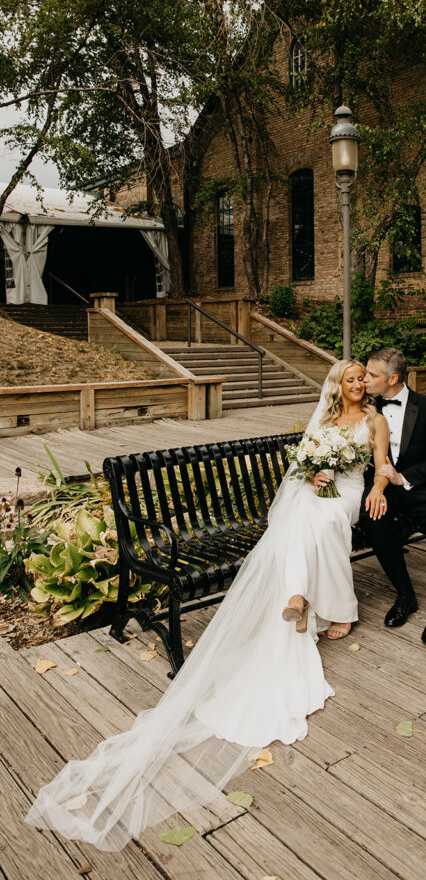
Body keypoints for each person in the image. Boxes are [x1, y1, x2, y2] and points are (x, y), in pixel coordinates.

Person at [25, 360, 391, 852]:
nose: (356, 384)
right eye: (349, 379)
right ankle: (302, 597)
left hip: (348, 494)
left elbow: (383, 465)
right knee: (303, 512)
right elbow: (302, 465)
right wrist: (313, 474)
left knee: (320, 522)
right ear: (337, 386)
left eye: (360, 379)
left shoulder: (374, 420)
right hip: (319, 490)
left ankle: (306, 597)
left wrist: (375, 489)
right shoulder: (323, 420)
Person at [359, 347, 426, 665]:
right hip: (381, 487)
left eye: (372, 375)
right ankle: (405, 595)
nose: (365, 379)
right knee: (372, 517)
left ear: (392, 379)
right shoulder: (363, 405)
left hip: (420, 485)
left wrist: (402, 477)